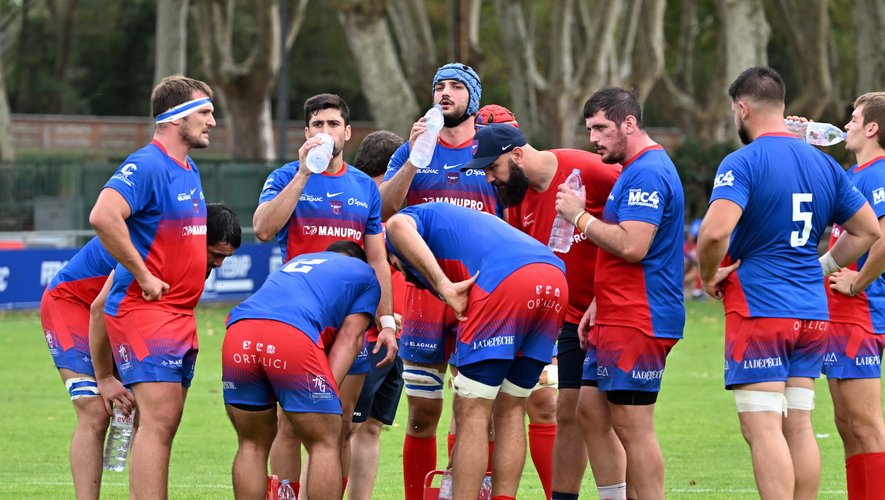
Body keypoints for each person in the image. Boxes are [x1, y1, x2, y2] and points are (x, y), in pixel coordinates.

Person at [696, 67, 879, 499]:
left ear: (742, 108)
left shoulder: (743, 161)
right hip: (812, 313)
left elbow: (714, 233)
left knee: (763, 428)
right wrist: (824, 264)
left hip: (761, 306)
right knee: (798, 425)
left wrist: (707, 276)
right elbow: (868, 230)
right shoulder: (825, 164)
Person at [466, 121, 624, 500]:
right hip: (569, 320)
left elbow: (637, 219)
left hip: (614, 309)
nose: (490, 180)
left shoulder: (589, 169)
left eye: (493, 168)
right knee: (567, 413)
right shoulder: (517, 202)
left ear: (517, 155)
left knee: (621, 420)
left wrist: (607, 294)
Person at [251, 94, 396, 495]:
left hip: (354, 320)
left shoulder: (364, 186)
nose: (326, 132)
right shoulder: (284, 177)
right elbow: (263, 230)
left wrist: (386, 322)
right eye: (318, 125)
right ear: (306, 133)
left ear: (347, 133)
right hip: (299, 320)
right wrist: (302, 175)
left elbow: (378, 260)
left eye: (334, 124)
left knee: (342, 420)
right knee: (290, 422)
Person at [87, 74, 221, 499]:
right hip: (148, 315)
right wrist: (144, 275)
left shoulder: (188, 167)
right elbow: (103, 215)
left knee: (162, 424)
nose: (212, 122)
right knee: (160, 425)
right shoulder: (146, 164)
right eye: (204, 112)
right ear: (175, 117)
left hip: (179, 318)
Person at [385, 202, 568, 499]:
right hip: (554, 278)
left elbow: (395, 226)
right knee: (511, 409)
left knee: (472, 410)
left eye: (396, 265)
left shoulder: (408, 223)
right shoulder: (465, 223)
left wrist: (444, 286)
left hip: (507, 281)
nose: (404, 277)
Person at [554, 87, 685, 500]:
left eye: (601, 128)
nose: (593, 139)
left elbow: (633, 245)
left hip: (639, 315)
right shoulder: (632, 169)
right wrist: (597, 301)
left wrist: (577, 215)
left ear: (629, 123)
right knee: (589, 410)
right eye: (590, 128)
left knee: (633, 426)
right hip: (615, 312)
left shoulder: (647, 171)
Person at [378, 62, 500, 500]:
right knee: (422, 413)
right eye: (438, 87)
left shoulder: (491, 147)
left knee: (476, 411)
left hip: (483, 297)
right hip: (424, 296)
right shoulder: (410, 150)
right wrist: (414, 158)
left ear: (474, 98)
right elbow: (384, 211)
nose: (444, 94)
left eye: (455, 87)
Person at [221, 241, 381, 500]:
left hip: (239, 332)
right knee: (326, 441)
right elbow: (350, 338)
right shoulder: (367, 276)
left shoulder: (297, 263)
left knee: (251, 444)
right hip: (289, 335)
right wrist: (324, 395)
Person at [817, 92, 885, 498]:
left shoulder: (878, 173)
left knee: (865, 424)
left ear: (873, 128)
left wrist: (857, 283)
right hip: (841, 312)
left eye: (854, 119)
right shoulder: (855, 173)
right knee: (846, 426)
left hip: (862, 309)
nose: (847, 125)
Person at [348, 130, 408, 500]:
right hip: (363, 340)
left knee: (370, 428)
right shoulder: (362, 211)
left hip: (393, 341)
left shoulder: (395, 214)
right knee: (342, 430)